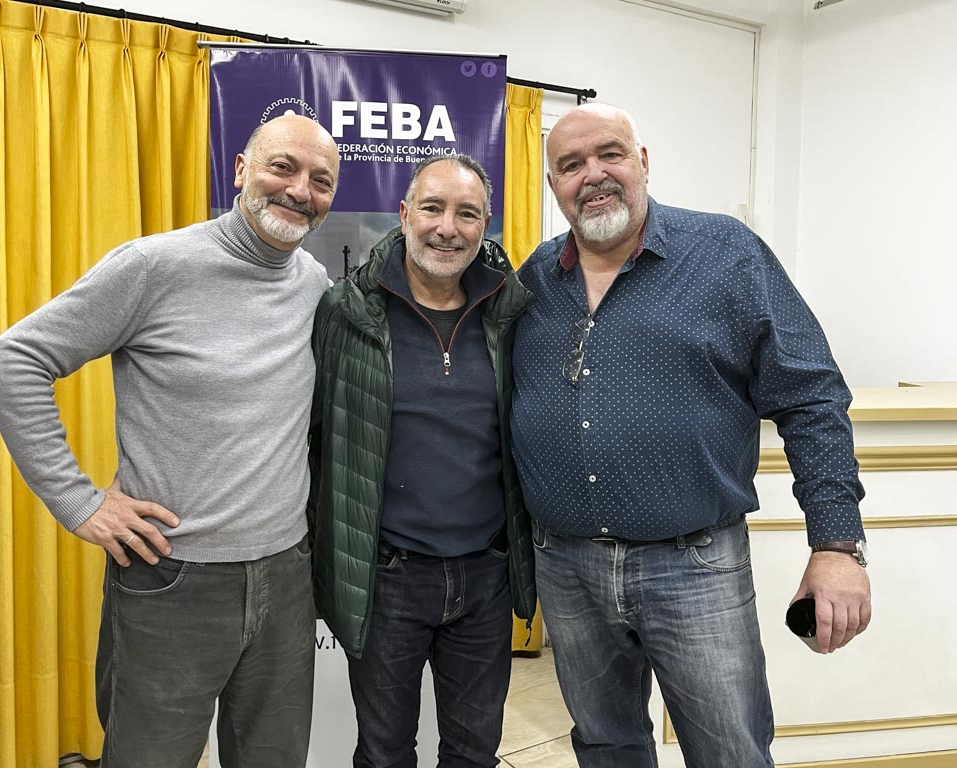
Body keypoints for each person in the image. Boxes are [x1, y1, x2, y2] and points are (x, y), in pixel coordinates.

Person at [510, 103, 872, 767]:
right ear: (554, 184)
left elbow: (812, 395)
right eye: (570, 164)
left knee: (728, 750)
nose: (593, 174)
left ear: (643, 161)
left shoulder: (727, 256)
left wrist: (837, 542)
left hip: (694, 565)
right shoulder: (534, 279)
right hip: (565, 567)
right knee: (604, 744)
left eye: (610, 154)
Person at [0, 114, 340, 768]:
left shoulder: (313, 284)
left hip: (287, 578)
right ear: (240, 170)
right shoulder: (154, 266)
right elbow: (11, 362)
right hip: (171, 580)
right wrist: (81, 503)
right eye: (282, 166)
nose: (300, 190)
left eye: (321, 180)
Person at [307, 154, 536, 768]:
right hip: (388, 577)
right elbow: (314, 435)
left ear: (485, 226)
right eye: (432, 208)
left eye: (467, 214)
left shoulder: (511, 315)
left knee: (474, 751)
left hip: (485, 575)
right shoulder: (345, 312)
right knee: (383, 753)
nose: (446, 227)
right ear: (405, 215)